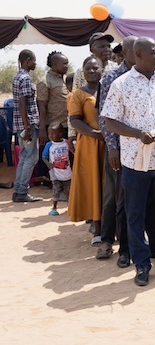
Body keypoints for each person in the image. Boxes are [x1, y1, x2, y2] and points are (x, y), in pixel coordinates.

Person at [102, 37, 155, 287]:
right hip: (135, 162)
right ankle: (142, 265)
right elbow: (110, 121)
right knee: (135, 214)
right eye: (153, 52)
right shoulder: (120, 85)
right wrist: (137, 134)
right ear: (137, 54)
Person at [68, 56, 106, 247]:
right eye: (88, 69)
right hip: (89, 145)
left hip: (110, 145)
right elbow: (75, 120)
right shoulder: (78, 94)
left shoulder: (109, 90)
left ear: (102, 70)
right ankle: (97, 230)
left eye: (95, 68)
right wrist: (96, 134)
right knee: (93, 185)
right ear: (83, 72)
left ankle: (113, 228)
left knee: (110, 187)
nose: (92, 71)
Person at [12, 49, 43, 203]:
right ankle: (22, 191)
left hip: (20, 124)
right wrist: (28, 128)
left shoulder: (17, 77)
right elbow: (23, 103)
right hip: (27, 124)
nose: (36, 63)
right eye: (34, 60)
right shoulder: (25, 78)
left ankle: (18, 191)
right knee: (31, 157)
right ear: (28, 60)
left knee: (24, 156)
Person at [36, 51, 70, 181]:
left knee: (63, 156)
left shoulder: (64, 79)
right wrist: (43, 130)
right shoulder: (45, 82)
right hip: (52, 127)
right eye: (64, 63)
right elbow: (42, 107)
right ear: (55, 64)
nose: (67, 66)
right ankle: (46, 178)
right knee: (51, 154)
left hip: (65, 124)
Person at [41, 123, 71, 216]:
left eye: (54, 133)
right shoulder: (49, 145)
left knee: (69, 191)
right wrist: (48, 164)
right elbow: (44, 156)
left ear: (61, 133)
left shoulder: (66, 143)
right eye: (49, 133)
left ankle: (70, 207)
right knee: (56, 190)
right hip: (55, 173)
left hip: (67, 172)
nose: (51, 136)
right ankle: (54, 207)